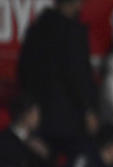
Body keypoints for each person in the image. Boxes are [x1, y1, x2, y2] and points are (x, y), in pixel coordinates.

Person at [17, 0, 97, 156]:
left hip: (39, 113)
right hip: (70, 116)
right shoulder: (73, 32)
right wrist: (88, 108)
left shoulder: (36, 29)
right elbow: (77, 74)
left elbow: (23, 71)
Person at [0, 95, 52, 167]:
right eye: (36, 113)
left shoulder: (39, 142)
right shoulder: (4, 140)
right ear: (24, 113)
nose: (38, 118)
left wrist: (44, 156)